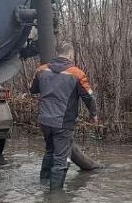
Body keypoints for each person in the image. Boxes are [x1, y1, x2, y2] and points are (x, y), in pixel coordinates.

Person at [29, 42, 98, 190]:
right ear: (70, 55)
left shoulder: (41, 70)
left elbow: (33, 89)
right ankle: (56, 199)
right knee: (60, 159)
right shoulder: (77, 74)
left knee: (49, 152)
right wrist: (94, 115)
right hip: (63, 122)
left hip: (45, 120)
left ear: (57, 53)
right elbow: (89, 97)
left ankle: (43, 186)